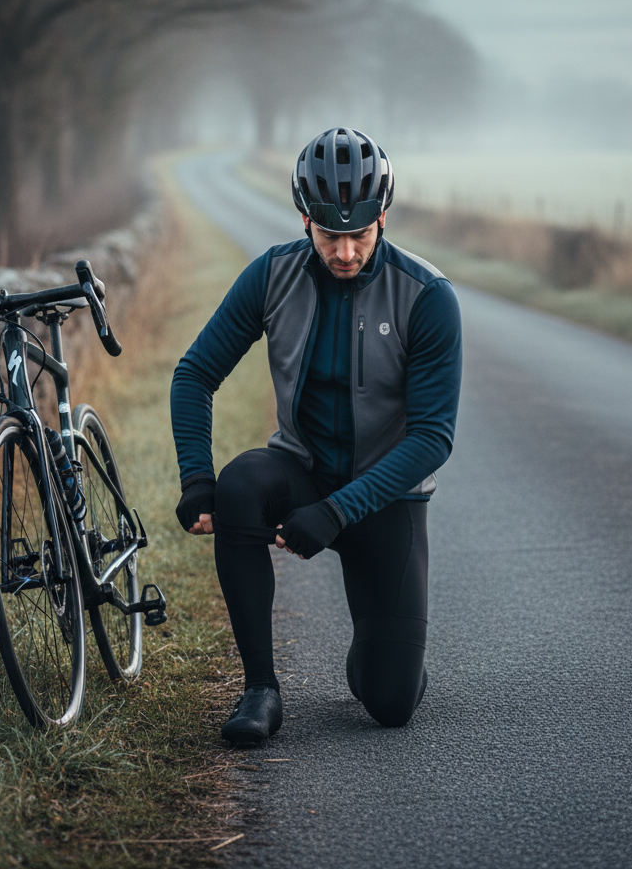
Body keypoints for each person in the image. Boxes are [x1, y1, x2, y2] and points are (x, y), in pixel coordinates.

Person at [171, 127, 462, 746]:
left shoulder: (428, 297)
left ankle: (384, 657)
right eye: (332, 234)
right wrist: (197, 478)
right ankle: (260, 690)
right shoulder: (272, 275)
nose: (347, 252)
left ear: (383, 217)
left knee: (388, 704)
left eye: (360, 233)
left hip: (387, 499)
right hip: (301, 471)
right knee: (241, 483)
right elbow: (195, 374)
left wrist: (339, 511)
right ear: (306, 219)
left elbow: (433, 438)